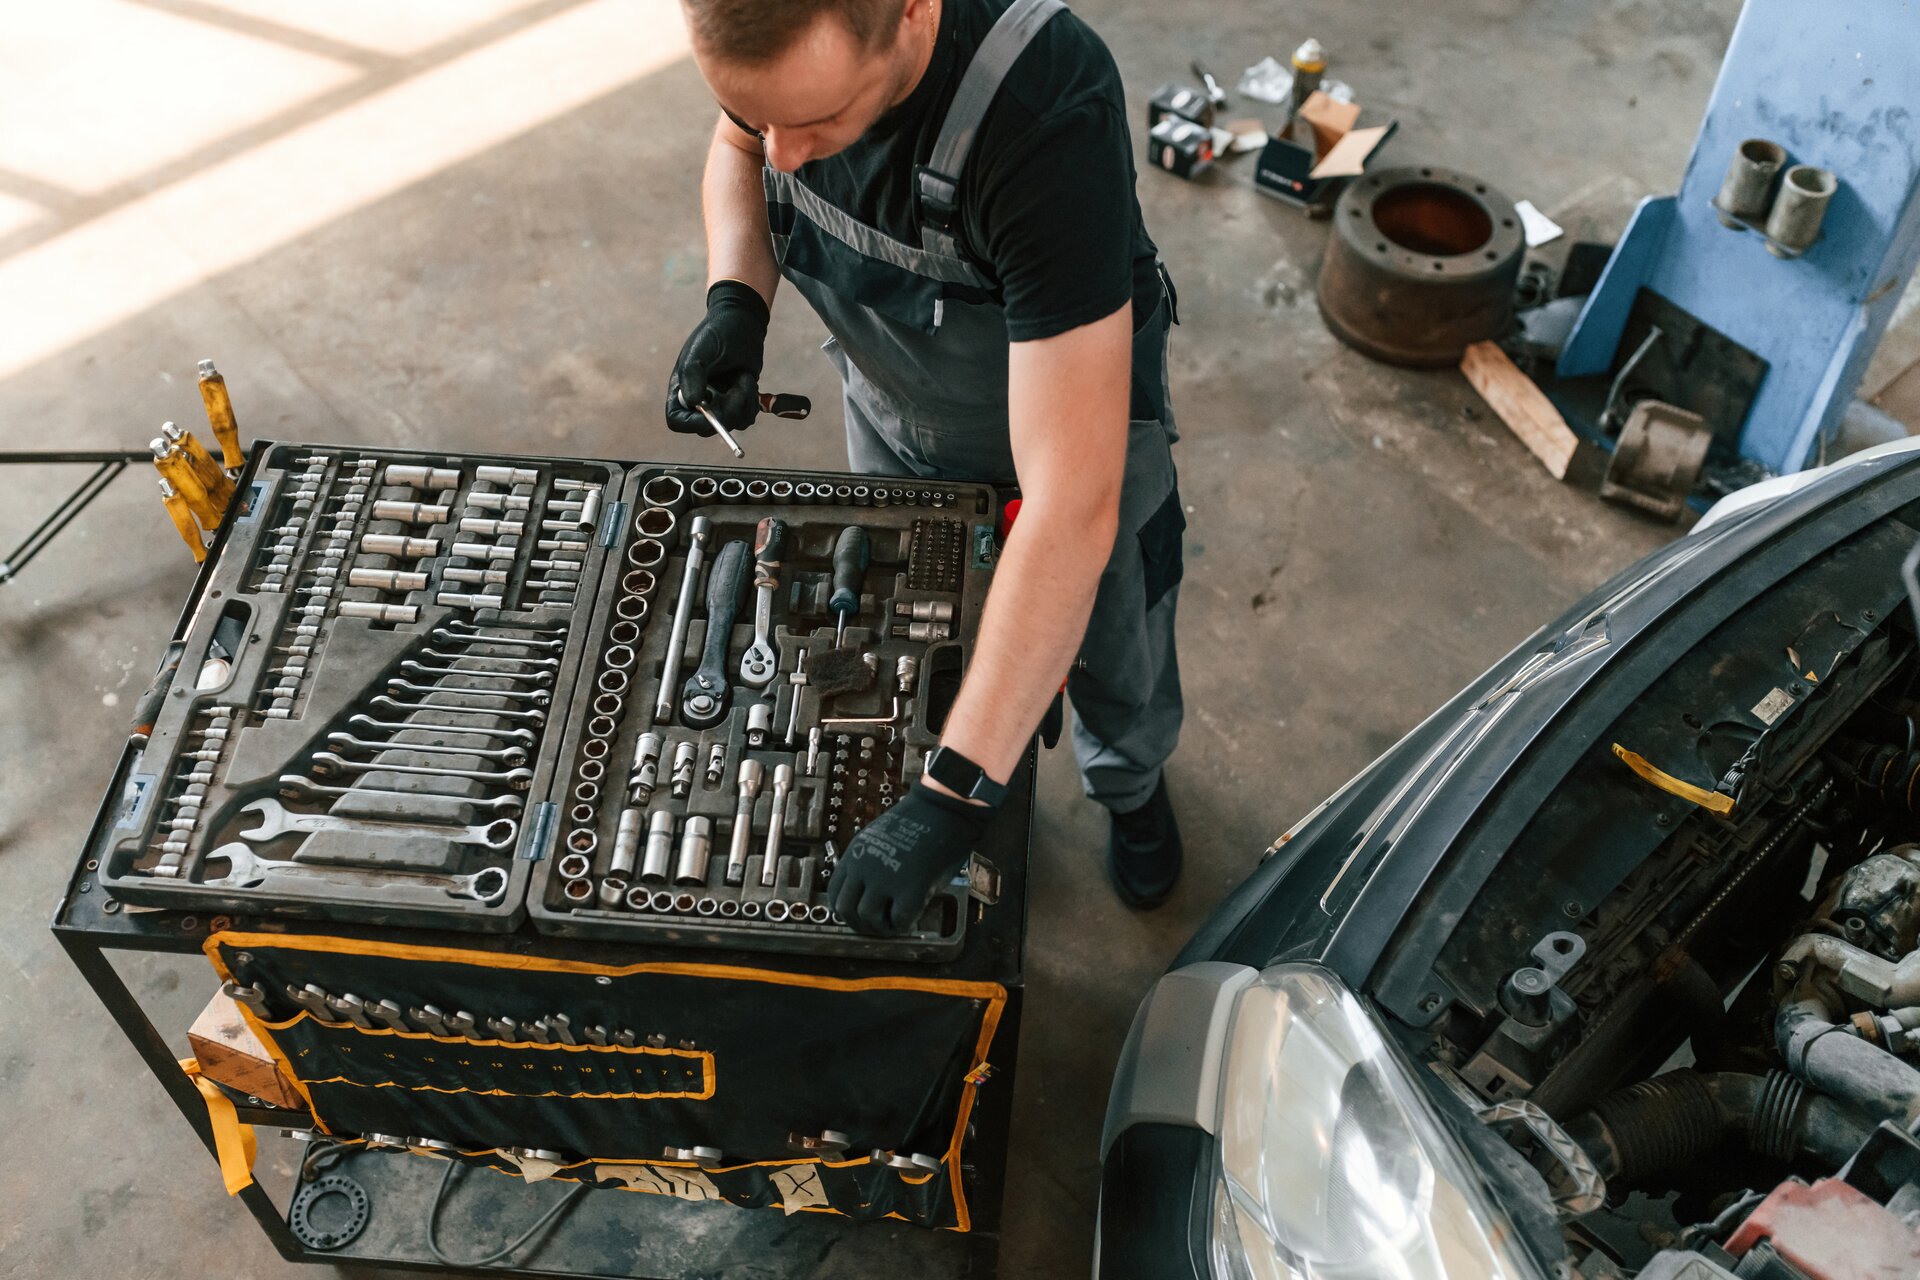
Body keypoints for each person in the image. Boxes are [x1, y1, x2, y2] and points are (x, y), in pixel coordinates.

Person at [666, 0, 1185, 935]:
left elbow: (1072, 502)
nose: (786, 153)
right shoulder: (780, 78)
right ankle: (999, 726)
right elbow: (742, 151)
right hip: (893, 410)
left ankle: (1131, 789)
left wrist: (954, 794)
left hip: (1076, 436)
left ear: (915, 11)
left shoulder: (1042, 114)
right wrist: (736, 295)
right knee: (917, 640)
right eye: (764, 114)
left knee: (1115, 652)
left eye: (820, 120)